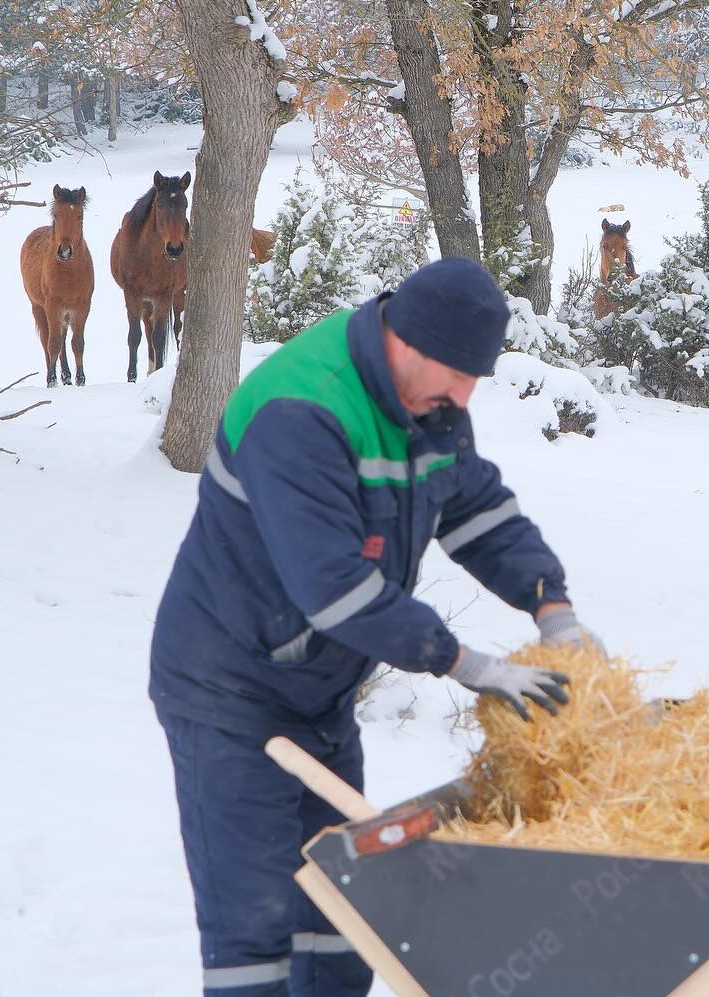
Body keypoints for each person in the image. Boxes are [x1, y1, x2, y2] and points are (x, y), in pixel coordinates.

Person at [149, 257, 601, 996]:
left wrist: (554, 608)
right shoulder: (303, 411)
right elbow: (332, 587)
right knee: (254, 931)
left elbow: (478, 508)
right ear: (410, 341)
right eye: (459, 376)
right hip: (229, 693)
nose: (465, 397)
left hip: (319, 693)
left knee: (344, 913)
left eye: (474, 381)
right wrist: (467, 663)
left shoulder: (427, 401)